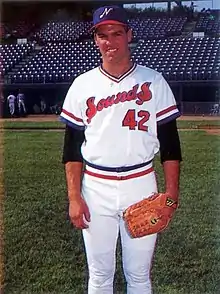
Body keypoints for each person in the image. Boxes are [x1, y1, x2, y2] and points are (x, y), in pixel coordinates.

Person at [60, 5, 182, 294]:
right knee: (100, 275)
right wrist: (74, 197)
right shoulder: (82, 85)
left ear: (129, 35)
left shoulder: (154, 81)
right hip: (96, 187)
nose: (109, 41)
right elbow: (72, 150)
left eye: (116, 33)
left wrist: (171, 195)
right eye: (102, 35)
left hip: (141, 185)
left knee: (138, 275)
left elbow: (171, 145)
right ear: (95, 40)